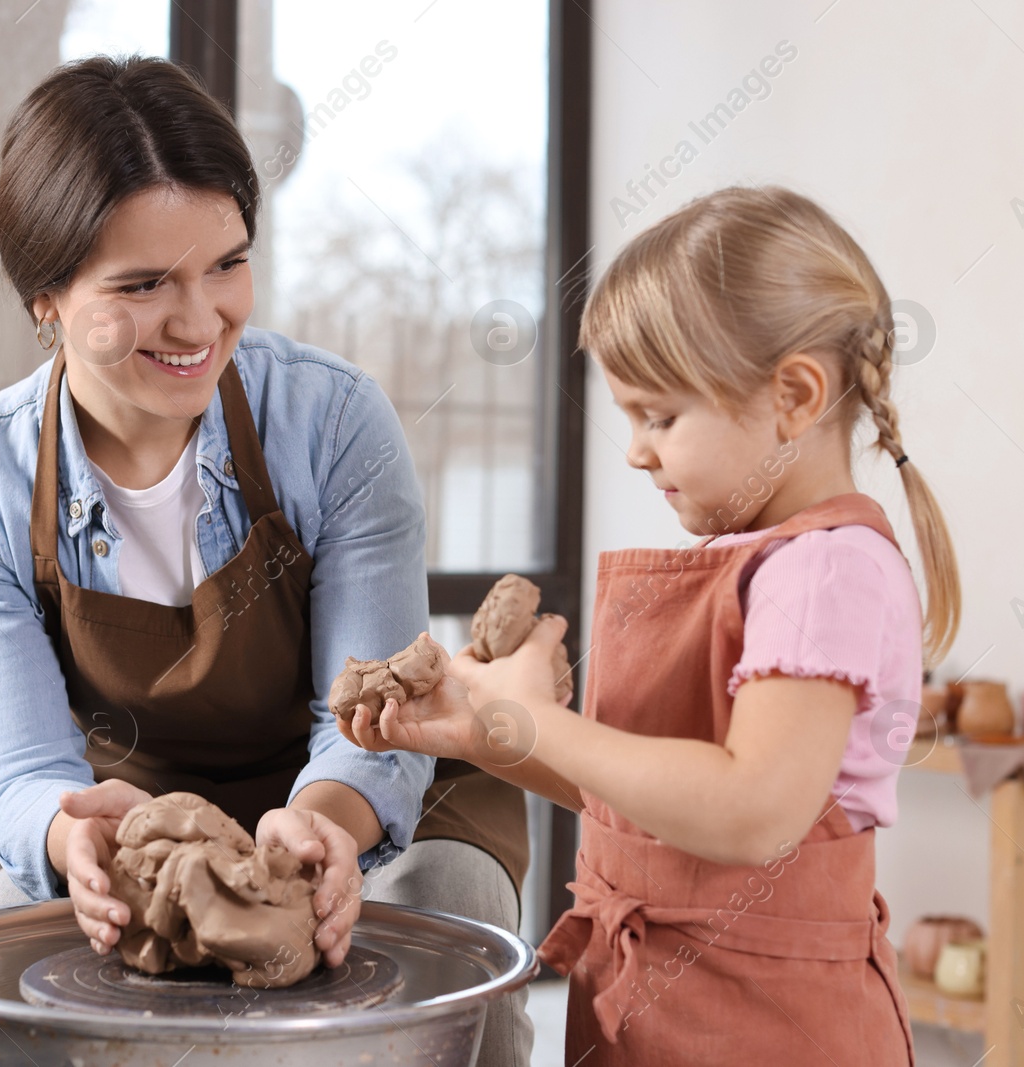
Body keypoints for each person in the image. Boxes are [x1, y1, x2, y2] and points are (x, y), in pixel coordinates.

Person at [0, 55, 532, 1065]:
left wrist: (326, 828)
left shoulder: (334, 424)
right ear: (46, 298)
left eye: (225, 264)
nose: (200, 321)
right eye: (143, 283)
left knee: (441, 931)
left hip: (378, 797)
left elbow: (371, 723)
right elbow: (20, 771)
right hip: (143, 816)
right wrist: (76, 841)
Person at [343, 185, 959, 1065]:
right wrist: (487, 734)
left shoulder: (828, 570)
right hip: (645, 1011)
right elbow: (652, 808)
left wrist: (542, 719)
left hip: (770, 1028)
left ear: (794, 394)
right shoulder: (767, 561)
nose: (636, 450)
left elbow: (748, 811)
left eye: (660, 417)